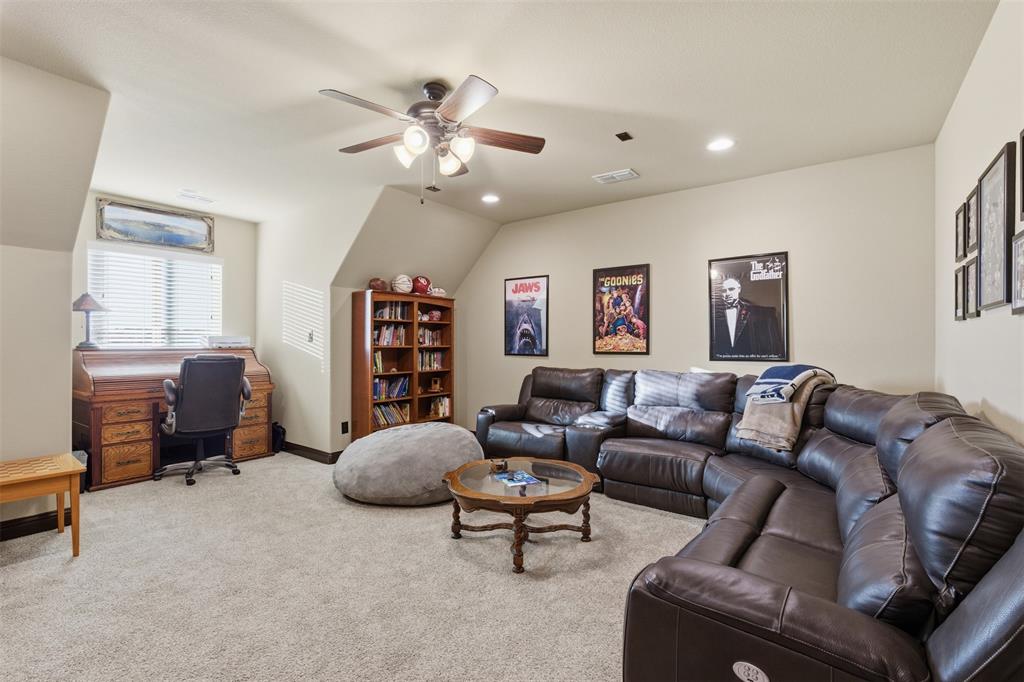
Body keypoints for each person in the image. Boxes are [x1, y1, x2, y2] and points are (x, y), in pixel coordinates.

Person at [712, 275, 783, 358]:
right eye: (724, 290)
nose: (728, 293)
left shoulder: (760, 313)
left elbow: (772, 344)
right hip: (722, 361)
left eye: (731, 289)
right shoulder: (714, 314)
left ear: (739, 289)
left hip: (753, 361)